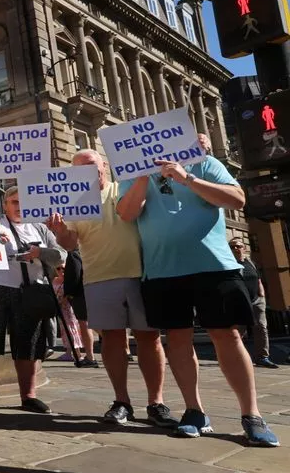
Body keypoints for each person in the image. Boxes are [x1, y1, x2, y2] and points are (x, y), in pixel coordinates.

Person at [116, 152, 278, 446]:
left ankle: (251, 414)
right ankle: (194, 410)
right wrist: (141, 176)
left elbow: (237, 200)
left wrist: (187, 178)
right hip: (163, 270)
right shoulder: (131, 175)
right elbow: (127, 214)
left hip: (213, 265)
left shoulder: (203, 163)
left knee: (227, 336)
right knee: (177, 338)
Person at [47, 150, 176, 428]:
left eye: (91, 165)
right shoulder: (72, 202)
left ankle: (157, 402)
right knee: (112, 339)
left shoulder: (125, 188)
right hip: (99, 277)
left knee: (149, 338)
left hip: (141, 274)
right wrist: (57, 230)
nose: (86, 171)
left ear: (104, 165)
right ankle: (122, 401)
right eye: (79, 168)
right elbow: (70, 244)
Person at [0, 184, 65, 413]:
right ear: (4, 205)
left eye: (23, 202)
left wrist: (38, 253)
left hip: (29, 292)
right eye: (14, 202)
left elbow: (61, 254)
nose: (19, 207)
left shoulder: (39, 228)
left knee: (29, 344)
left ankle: (29, 396)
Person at [231, 239, 276, 369]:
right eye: (232, 247)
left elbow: (258, 278)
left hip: (257, 300)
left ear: (244, 248)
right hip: (240, 301)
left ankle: (262, 357)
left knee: (261, 328)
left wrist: (261, 292)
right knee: (239, 331)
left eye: (238, 246)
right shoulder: (228, 264)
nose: (236, 249)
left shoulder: (251, 262)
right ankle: (237, 357)